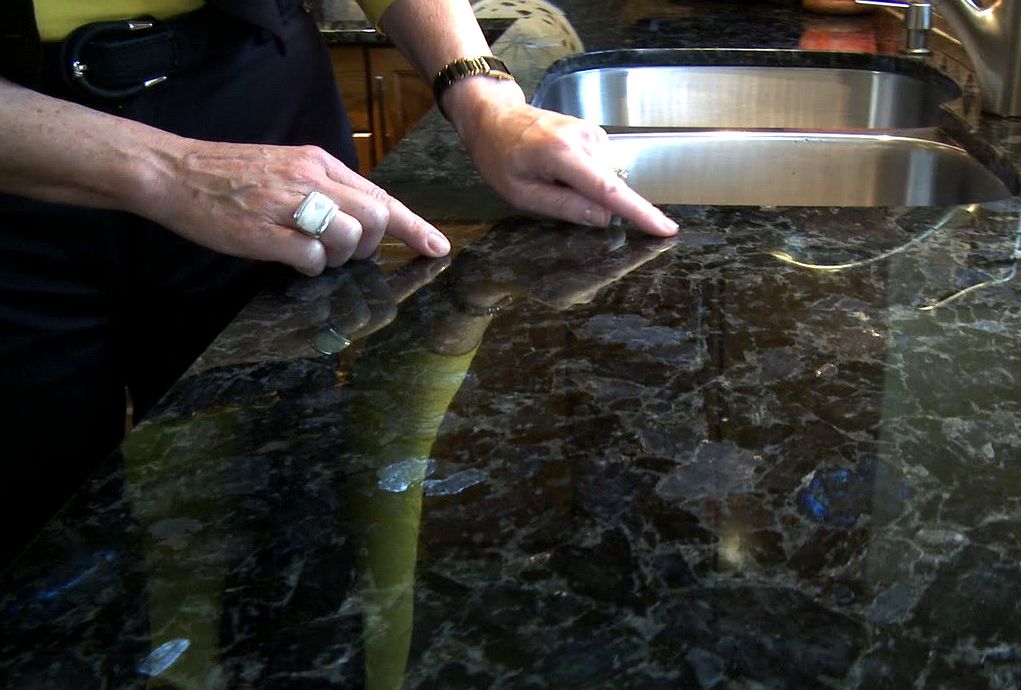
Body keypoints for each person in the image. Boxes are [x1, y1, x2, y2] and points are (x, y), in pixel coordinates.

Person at [0, 0, 678, 563]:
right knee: (40, 560)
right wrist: (169, 169)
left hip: (264, 123)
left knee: (293, 536)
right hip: (20, 177)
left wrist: (483, 96)